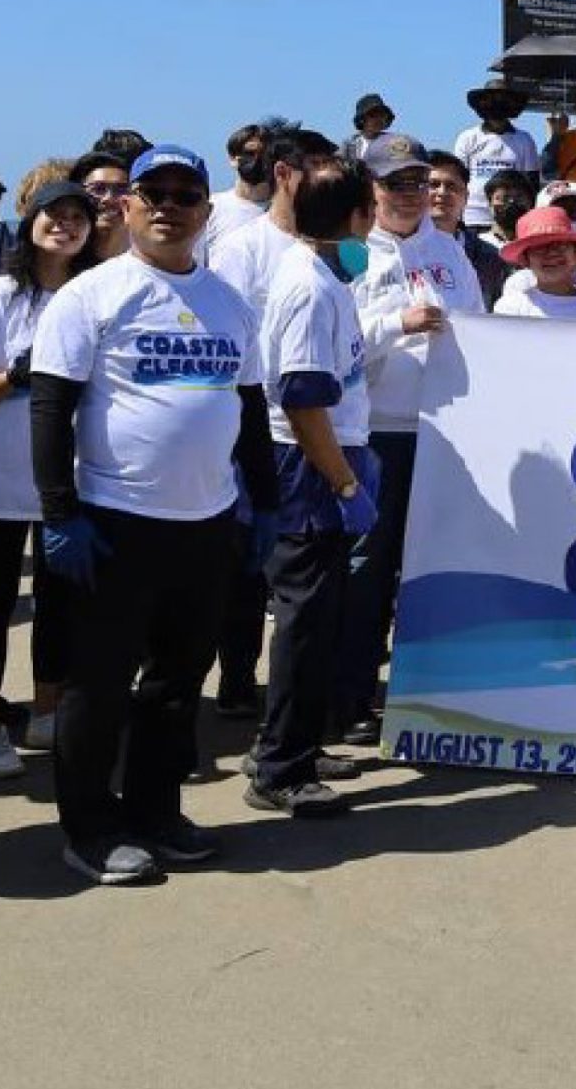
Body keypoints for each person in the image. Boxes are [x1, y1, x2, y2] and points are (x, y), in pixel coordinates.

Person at [30, 143, 278, 885]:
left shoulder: (231, 301)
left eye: (184, 194)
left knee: (177, 683)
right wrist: (59, 512)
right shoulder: (92, 295)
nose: (169, 205)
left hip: (205, 523)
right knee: (97, 686)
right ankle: (90, 825)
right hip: (112, 520)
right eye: (154, 193)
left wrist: (263, 503)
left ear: (207, 211)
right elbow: (50, 408)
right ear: (127, 206)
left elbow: (253, 411)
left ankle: (154, 809)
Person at [0, 180, 99, 777]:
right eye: (53, 215)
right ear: (29, 222)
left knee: (61, 602)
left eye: (77, 217)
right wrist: (17, 376)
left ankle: (46, 710)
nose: (65, 226)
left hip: (74, 471)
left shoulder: (94, 296)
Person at [246, 156, 380, 816]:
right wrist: (346, 482)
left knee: (322, 615)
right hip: (310, 466)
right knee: (302, 616)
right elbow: (301, 398)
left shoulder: (327, 277)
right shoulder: (307, 285)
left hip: (332, 455)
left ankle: (299, 741)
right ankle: (280, 766)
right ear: (356, 216)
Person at [345, 137, 484, 745]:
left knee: (429, 571)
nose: (409, 194)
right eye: (394, 183)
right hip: (373, 433)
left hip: (443, 435)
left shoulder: (451, 252)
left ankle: (418, 694)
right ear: (370, 188)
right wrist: (392, 324)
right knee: (365, 574)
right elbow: (331, 340)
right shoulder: (348, 254)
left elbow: (484, 333)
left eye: (416, 182)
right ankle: (348, 695)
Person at [200, 125, 342, 718]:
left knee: (298, 578)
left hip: (319, 425)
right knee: (244, 562)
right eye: (316, 170)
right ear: (284, 174)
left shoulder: (334, 247)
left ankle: (290, 702)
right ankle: (236, 681)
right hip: (254, 423)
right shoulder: (242, 247)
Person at [492, 206, 576, 320]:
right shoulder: (510, 309)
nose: (551, 253)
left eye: (560, 245)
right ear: (525, 260)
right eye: (539, 247)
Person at [452, 82, 541, 228]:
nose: (497, 104)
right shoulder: (467, 137)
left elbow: (532, 184)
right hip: (473, 216)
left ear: (512, 104)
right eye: (492, 99)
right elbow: (458, 178)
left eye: (503, 99)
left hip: (511, 217)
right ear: (482, 103)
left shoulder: (524, 139)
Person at [425, 150, 512, 295]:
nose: (442, 192)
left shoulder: (492, 259)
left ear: (466, 197)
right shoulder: (401, 250)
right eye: (433, 185)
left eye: (451, 186)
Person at [198, 116, 282, 261]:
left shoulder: (287, 210)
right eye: (249, 153)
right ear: (232, 159)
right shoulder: (211, 207)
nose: (257, 160)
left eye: (265, 155)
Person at [69, 152, 132, 260]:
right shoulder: (62, 264)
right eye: (98, 189)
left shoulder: (151, 262)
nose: (109, 198)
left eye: (121, 190)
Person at [342, 92, 394, 164]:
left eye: (382, 115)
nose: (378, 119)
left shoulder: (393, 142)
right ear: (362, 119)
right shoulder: (349, 145)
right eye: (373, 115)